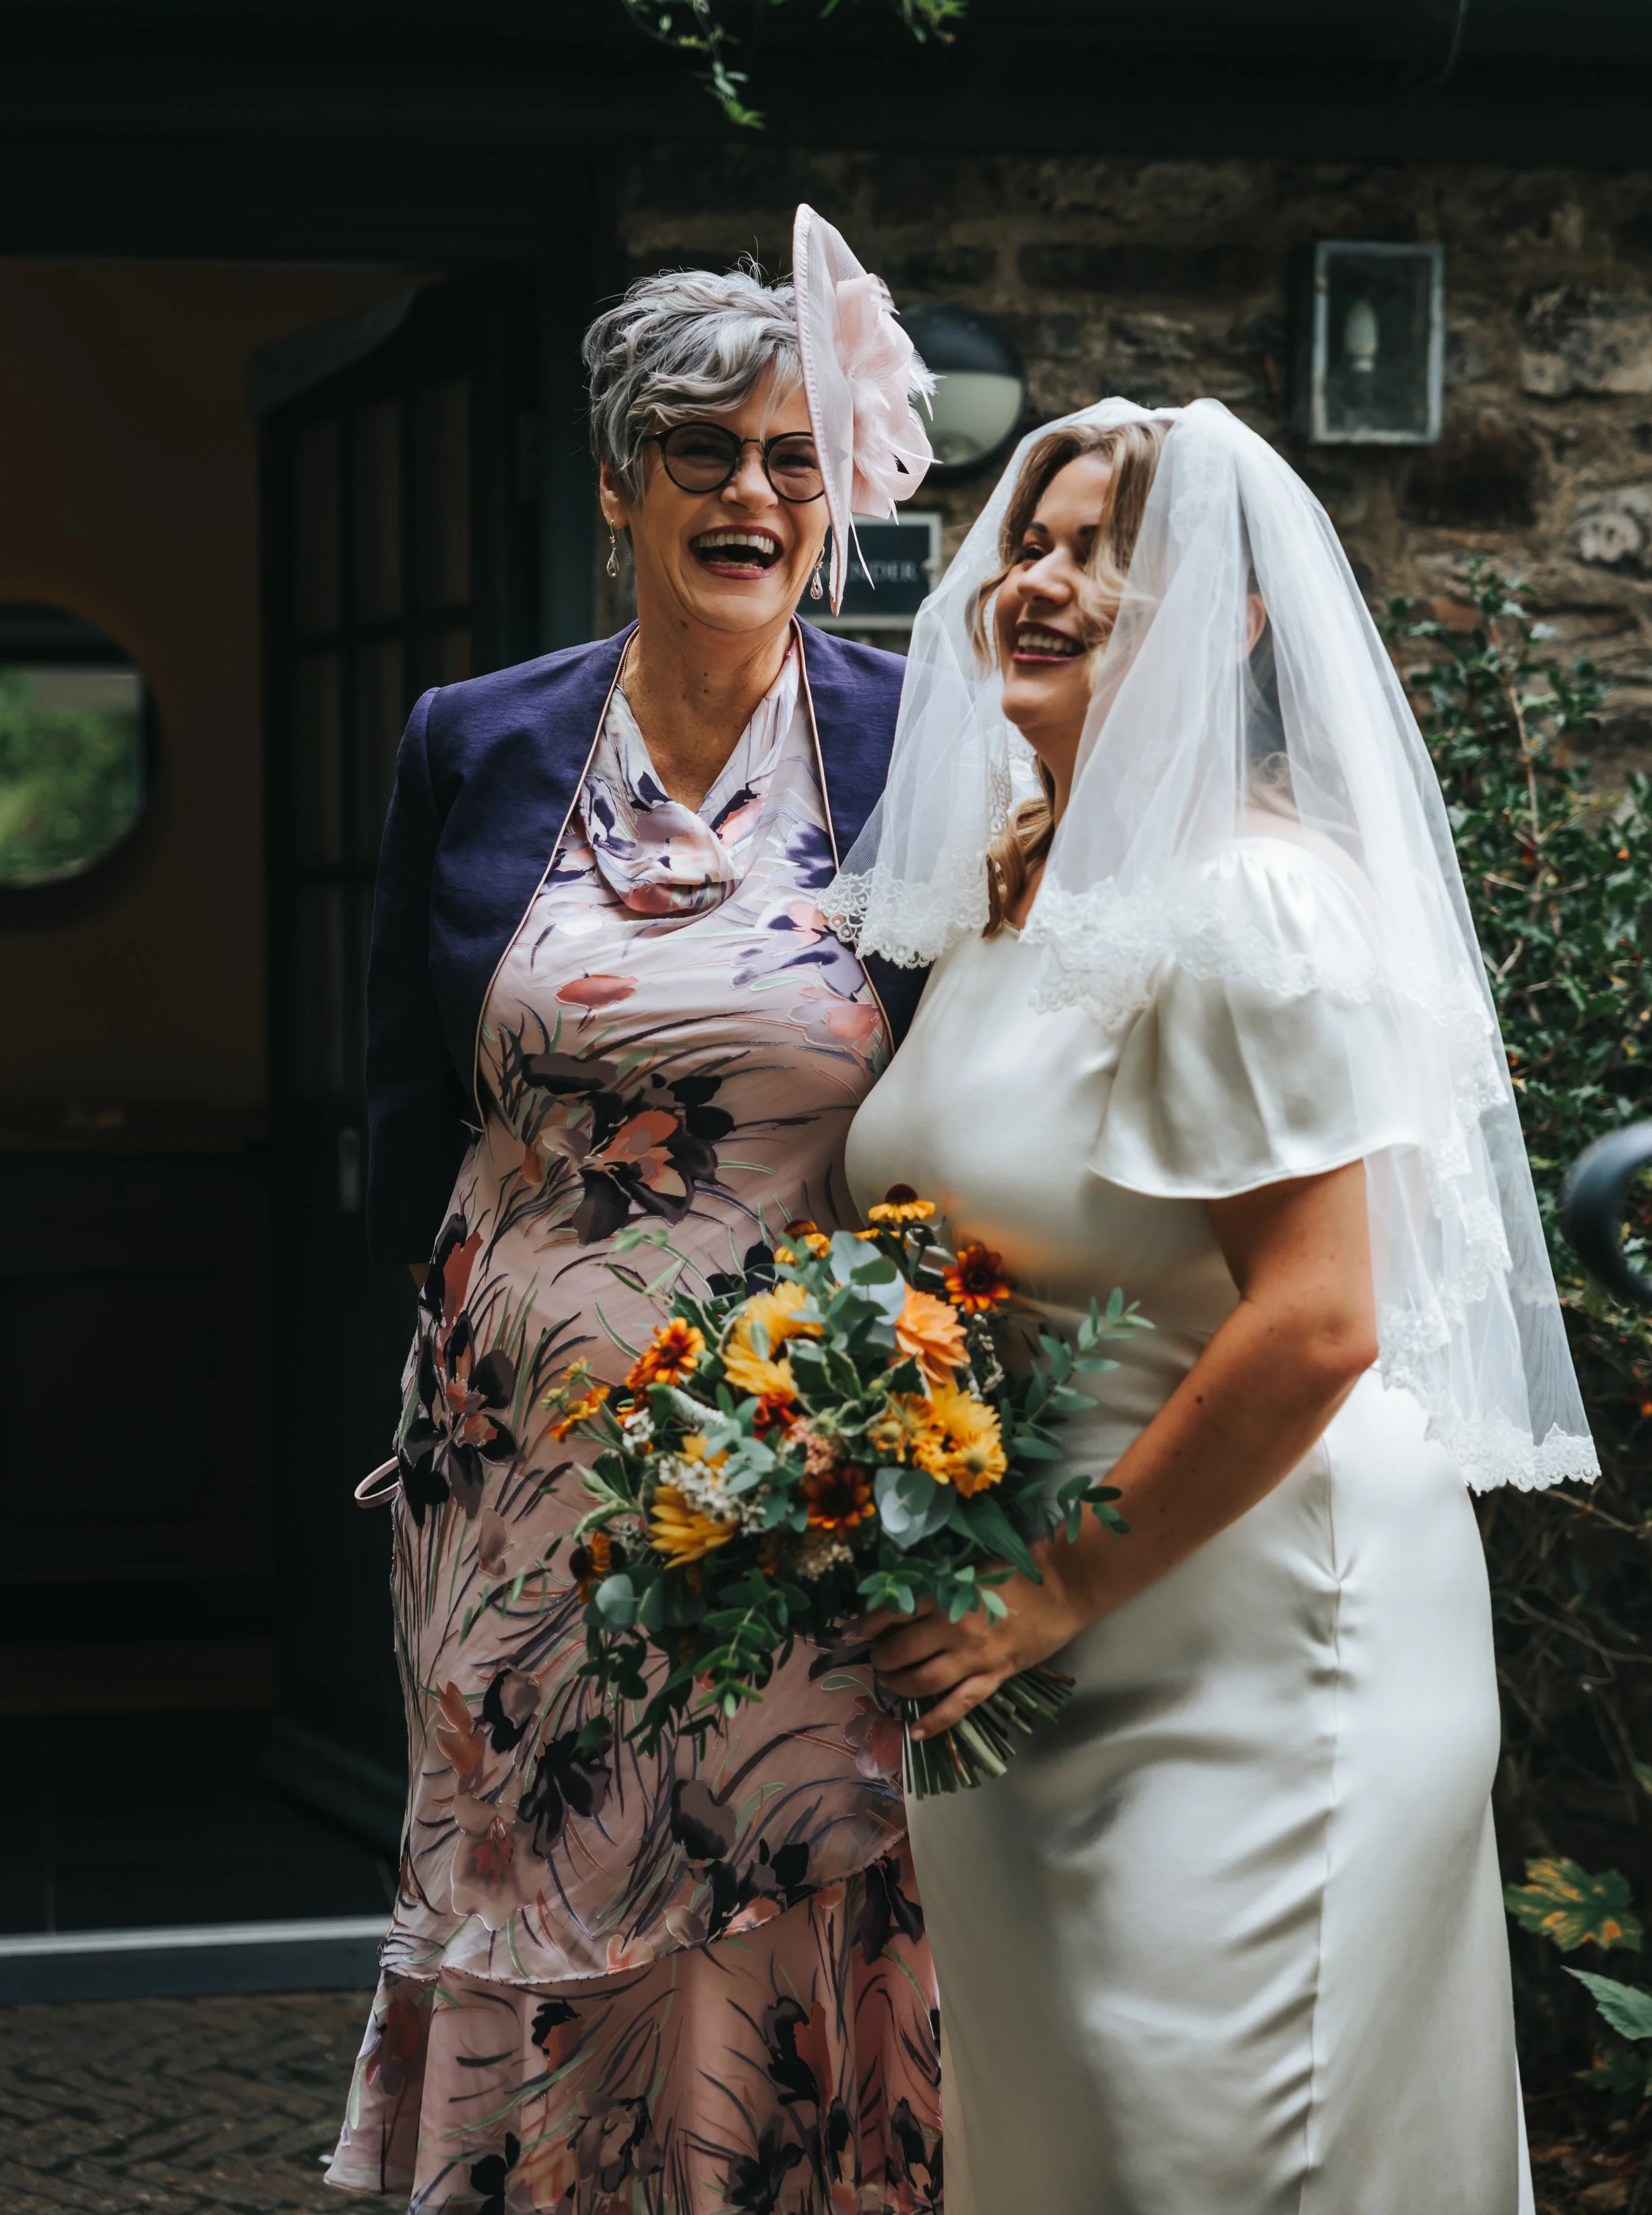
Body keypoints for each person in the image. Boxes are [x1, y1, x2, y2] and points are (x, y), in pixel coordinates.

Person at [831, 399, 1597, 2215]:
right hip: (1025, 1641)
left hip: (1249, 1630)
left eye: (1103, 550)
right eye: (1028, 538)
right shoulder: (1011, 892)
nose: (1038, 578)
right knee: (1066, 2136)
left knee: (1215, 2142)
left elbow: (1320, 1319)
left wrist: (1048, 1586)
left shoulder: (1254, 903)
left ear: (1229, 617)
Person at [328, 222, 946, 2214]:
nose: (749, 493)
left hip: (798, 1478)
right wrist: (467, 1390)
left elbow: (974, 1108)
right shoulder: (475, 742)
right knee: (529, 1893)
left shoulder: (911, 743)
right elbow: (399, 1109)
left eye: (789, 455)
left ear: (834, 493)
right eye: (699, 451)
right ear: (617, 485)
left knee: (770, 1894)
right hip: (514, 1478)